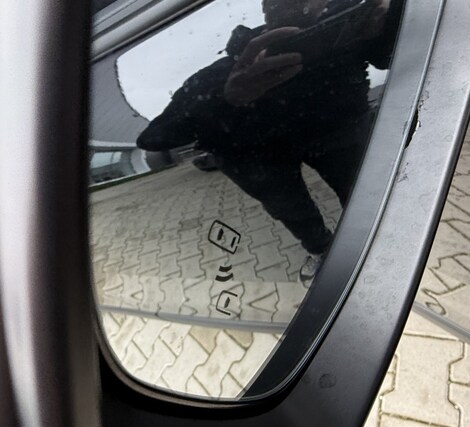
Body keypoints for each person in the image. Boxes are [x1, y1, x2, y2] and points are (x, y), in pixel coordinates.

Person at [137, 0, 400, 282]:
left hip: (337, 137)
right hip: (260, 162)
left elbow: (394, 56)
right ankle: (323, 250)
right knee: (296, 213)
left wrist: (389, 20)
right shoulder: (220, 73)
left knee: (362, 196)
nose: (296, 5)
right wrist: (225, 95)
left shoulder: (348, 33)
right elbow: (154, 137)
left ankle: (378, 244)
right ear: (266, 7)